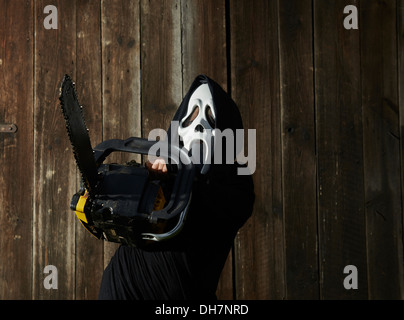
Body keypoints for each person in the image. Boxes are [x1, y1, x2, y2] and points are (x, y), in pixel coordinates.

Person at [98, 75, 255, 300]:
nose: (200, 125)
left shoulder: (234, 189)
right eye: (192, 115)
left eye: (211, 116)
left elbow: (223, 200)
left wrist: (173, 179)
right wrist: (147, 180)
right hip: (122, 288)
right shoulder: (165, 170)